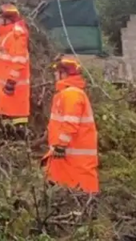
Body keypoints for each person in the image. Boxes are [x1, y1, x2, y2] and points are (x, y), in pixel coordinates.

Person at [42, 56, 99, 194]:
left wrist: (61, 144)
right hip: (69, 152)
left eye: (57, 72)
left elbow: (70, 123)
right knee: (68, 183)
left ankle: (88, 205)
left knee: (81, 184)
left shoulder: (71, 94)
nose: (55, 75)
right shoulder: (68, 93)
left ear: (64, 73)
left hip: (72, 151)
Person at [0, 3, 31, 137]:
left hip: (13, 91)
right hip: (4, 90)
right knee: (5, 123)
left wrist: (11, 81)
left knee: (14, 127)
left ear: (7, 19)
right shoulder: (6, 35)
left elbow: (19, 60)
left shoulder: (16, 35)